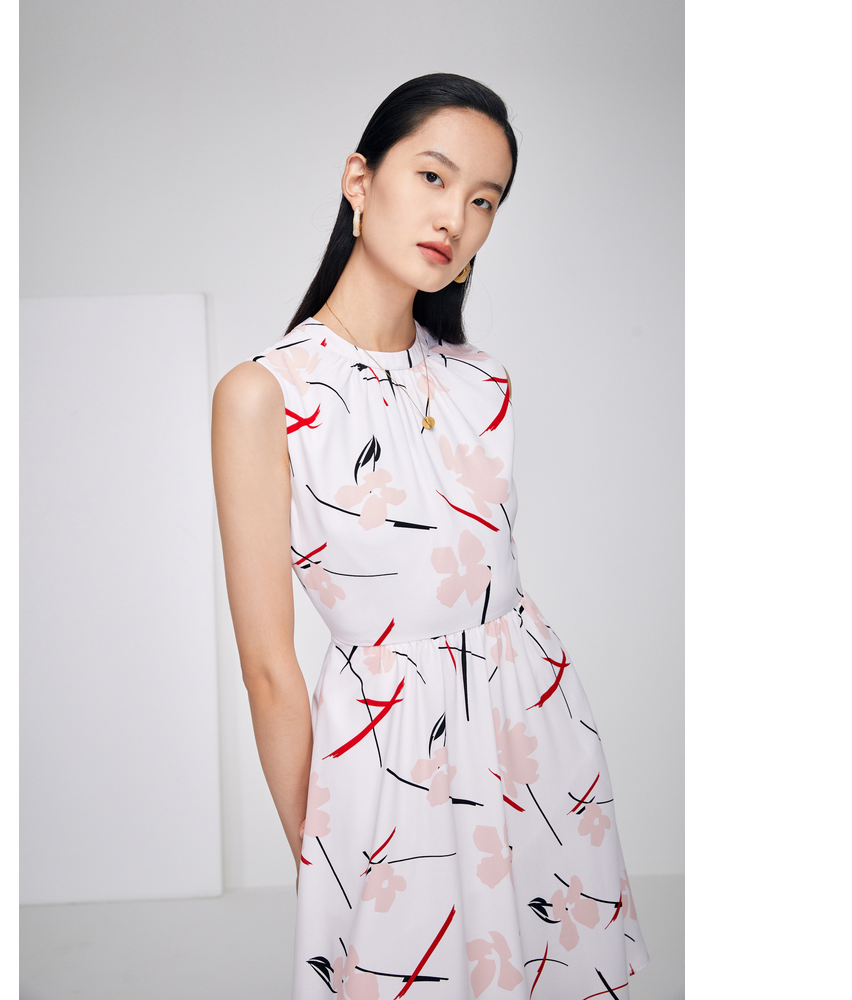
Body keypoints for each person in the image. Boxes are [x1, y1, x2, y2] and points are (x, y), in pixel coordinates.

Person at [211, 73, 648, 1000]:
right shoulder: (266, 394)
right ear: (359, 181)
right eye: (434, 177)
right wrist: (321, 852)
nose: (456, 217)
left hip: (535, 740)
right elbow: (269, 669)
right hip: (388, 767)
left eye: (485, 200)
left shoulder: (484, 382)